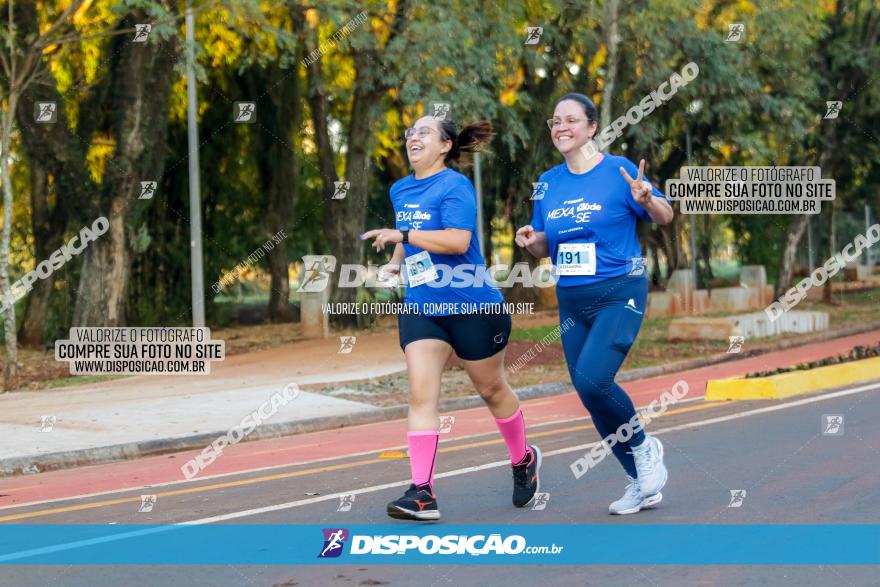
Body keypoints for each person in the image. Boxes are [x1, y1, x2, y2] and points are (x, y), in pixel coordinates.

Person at [362, 114, 541, 521]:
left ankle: (523, 458)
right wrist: (394, 262)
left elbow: (458, 241)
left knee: (491, 389)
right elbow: (410, 238)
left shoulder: (455, 185)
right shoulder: (400, 189)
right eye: (409, 132)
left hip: (472, 305)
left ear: (445, 145)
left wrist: (402, 236)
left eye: (423, 132)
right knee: (421, 394)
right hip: (424, 308)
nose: (412, 137)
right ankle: (422, 493)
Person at [515, 93, 674, 515]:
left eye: (570, 120)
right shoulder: (548, 182)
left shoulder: (619, 170)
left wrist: (647, 200)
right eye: (555, 120)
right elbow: (546, 245)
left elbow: (665, 216)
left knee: (592, 380)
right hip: (572, 300)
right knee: (590, 394)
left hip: (619, 290)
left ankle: (644, 446)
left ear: (591, 127)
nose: (560, 127)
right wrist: (533, 243)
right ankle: (640, 481)